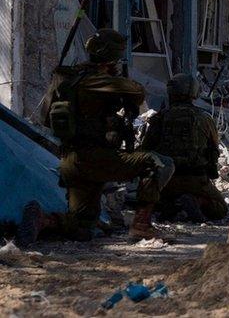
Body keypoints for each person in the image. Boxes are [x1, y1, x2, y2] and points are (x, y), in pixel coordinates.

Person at [19, 29, 175, 245]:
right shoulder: (99, 80)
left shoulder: (70, 78)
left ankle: (43, 221)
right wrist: (115, 75)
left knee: (82, 228)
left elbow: (46, 119)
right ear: (112, 56)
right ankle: (142, 224)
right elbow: (137, 92)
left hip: (71, 161)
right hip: (96, 158)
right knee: (159, 163)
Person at [139, 73, 227, 222]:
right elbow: (213, 150)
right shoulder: (205, 118)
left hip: (166, 181)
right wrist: (210, 174)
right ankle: (197, 201)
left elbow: (146, 150)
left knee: (152, 199)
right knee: (219, 209)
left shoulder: (159, 118)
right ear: (193, 92)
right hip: (195, 179)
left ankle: (169, 203)